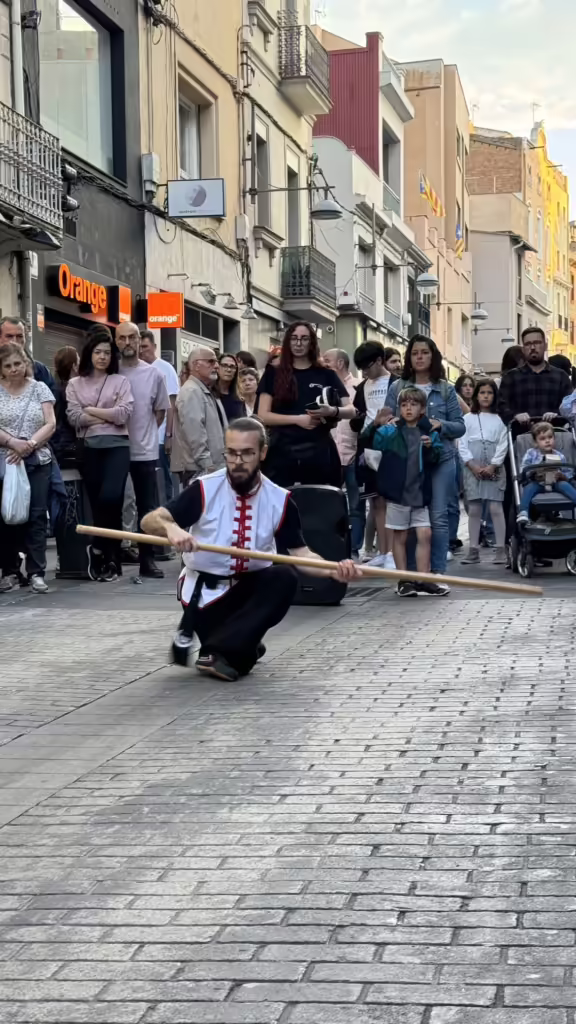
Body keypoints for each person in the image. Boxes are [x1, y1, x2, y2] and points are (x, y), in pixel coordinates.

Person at [142, 418, 361, 682]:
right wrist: (171, 528)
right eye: (231, 453)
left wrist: (331, 570)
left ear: (262, 453)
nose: (237, 461)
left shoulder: (280, 499)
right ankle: (241, 647)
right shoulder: (203, 488)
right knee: (234, 655)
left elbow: (301, 554)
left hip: (250, 593)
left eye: (247, 453)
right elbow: (149, 521)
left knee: (284, 577)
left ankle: (230, 648)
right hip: (206, 595)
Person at [385, 335, 465, 575]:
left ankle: (437, 573)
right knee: (408, 521)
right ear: (410, 357)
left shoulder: (445, 389)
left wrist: (438, 424)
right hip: (407, 462)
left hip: (441, 459)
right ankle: (411, 575)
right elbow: (387, 422)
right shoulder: (397, 387)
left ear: (433, 356)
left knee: (438, 517)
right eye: (415, 353)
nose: (419, 357)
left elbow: (460, 426)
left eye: (425, 352)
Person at [361, 386, 448, 598]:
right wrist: (375, 424)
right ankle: (404, 580)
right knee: (400, 536)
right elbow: (367, 441)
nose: (408, 408)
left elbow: (436, 457)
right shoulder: (390, 431)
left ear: (422, 409)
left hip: (419, 493)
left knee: (425, 534)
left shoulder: (428, 432)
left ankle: (424, 579)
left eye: (414, 404)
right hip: (398, 494)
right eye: (404, 404)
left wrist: (430, 448)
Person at [66, 325, 134, 582]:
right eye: (98, 352)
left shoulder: (122, 381)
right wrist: (106, 415)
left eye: (107, 352)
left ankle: (98, 546)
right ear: (89, 354)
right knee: (101, 505)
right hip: (90, 449)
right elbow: (73, 418)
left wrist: (91, 411)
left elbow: (123, 415)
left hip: (118, 446)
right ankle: (110, 559)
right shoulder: (75, 384)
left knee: (110, 497)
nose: (103, 357)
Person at [257, 322, 353, 488]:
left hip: (319, 451)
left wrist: (332, 411)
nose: (298, 343)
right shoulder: (274, 371)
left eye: (304, 339)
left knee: (318, 507)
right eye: (294, 338)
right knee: (283, 507)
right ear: (288, 341)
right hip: (282, 452)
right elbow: (263, 415)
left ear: (312, 343)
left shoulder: (326, 373)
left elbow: (351, 410)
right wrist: (298, 419)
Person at [0, 343, 55, 593]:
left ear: (26, 364)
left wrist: (30, 444)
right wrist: (12, 442)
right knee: (6, 516)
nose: (14, 369)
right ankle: (10, 571)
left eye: (18, 364)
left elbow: (51, 423)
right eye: (8, 365)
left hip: (37, 460)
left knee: (36, 516)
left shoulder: (39, 388)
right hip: (5, 460)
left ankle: (36, 573)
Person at [116, 322, 169, 579]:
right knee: (113, 503)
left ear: (140, 341)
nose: (127, 342)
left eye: (132, 338)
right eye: (122, 338)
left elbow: (159, 413)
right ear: (116, 342)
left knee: (147, 508)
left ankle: (147, 560)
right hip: (114, 449)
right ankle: (113, 559)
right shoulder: (109, 371)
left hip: (145, 451)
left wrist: (145, 434)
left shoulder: (154, 374)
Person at [351, 341, 399, 568]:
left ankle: (392, 553)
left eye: (367, 366)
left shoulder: (397, 383)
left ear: (379, 361)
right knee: (376, 502)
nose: (365, 372)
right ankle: (383, 551)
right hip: (368, 447)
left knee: (391, 501)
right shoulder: (362, 387)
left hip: (391, 446)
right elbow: (358, 415)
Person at [458, 379, 508, 565]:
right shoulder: (467, 419)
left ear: (494, 396)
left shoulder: (499, 420)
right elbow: (461, 444)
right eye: (482, 393)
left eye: (489, 393)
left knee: (496, 507)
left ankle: (501, 549)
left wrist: (494, 465)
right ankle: (473, 550)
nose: (486, 396)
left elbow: (503, 445)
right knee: (474, 509)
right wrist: (471, 465)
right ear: (476, 396)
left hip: (494, 467)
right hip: (472, 467)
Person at [323, 347, 364, 558]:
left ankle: (354, 550)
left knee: (356, 505)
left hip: (354, 453)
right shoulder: (324, 388)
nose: (323, 362)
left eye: (327, 359)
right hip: (330, 454)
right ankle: (335, 549)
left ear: (340, 363)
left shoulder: (358, 387)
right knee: (330, 505)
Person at [171, 348, 227, 485]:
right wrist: (208, 465)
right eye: (211, 361)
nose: (216, 366)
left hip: (209, 468)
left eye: (216, 361)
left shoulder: (201, 390)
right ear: (196, 365)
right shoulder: (191, 391)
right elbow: (195, 434)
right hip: (201, 470)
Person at [498, 327, 572, 426]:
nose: (532, 347)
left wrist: (556, 415)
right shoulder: (511, 377)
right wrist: (515, 416)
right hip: (521, 435)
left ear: (545, 346)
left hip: (554, 434)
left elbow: (570, 406)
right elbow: (501, 406)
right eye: (528, 344)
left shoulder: (561, 376)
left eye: (537, 343)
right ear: (523, 349)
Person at [139, 330, 180, 503]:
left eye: (145, 347)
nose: (142, 351)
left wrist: (169, 435)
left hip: (160, 437)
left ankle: (168, 512)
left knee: (162, 479)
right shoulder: (137, 369)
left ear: (154, 347)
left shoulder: (165, 368)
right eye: (139, 347)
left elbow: (171, 404)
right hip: (141, 438)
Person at [517, 421, 576, 524]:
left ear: (554, 439)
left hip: (555, 482)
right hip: (538, 482)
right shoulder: (531, 453)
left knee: (565, 485)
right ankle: (523, 511)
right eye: (543, 439)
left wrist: (563, 476)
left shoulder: (560, 455)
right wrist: (533, 472)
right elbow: (524, 469)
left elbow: (568, 472)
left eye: (550, 437)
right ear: (536, 442)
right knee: (529, 488)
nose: (547, 441)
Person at [0, 317, 55, 392]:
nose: (15, 341)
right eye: (9, 336)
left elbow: (53, 398)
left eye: (19, 336)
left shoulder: (39, 370)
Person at [52, 346, 79, 469]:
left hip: (58, 446)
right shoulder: (72, 391)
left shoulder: (54, 388)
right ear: (74, 366)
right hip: (71, 446)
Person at [216, 353, 246, 422]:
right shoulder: (210, 394)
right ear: (218, 368)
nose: (229, 370)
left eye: (232, 367)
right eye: (224, 365)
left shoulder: (239, 398)